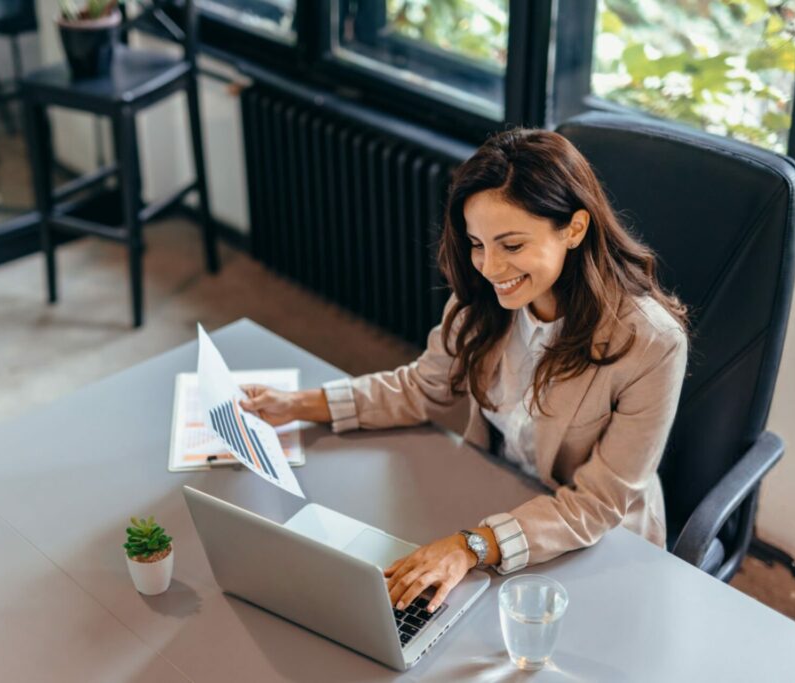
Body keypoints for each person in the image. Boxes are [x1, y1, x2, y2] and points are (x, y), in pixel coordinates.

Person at [240, 128, 689, 614]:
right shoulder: (488, 297)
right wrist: (297, 404)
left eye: (512, 245)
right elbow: (421, 387)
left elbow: (596, 504)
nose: (490, 267)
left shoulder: (651, 344)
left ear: (575, 229)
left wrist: (470, 547)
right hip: (496, 499)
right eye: (478, 243)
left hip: (593, 543)